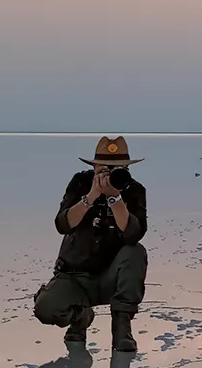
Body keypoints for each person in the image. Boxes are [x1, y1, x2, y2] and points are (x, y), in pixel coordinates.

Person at [33, 136, 148, 353]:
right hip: (75, 275)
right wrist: (91, 196)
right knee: (45, 308)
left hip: (111, 277)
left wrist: (115, 199)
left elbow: (133, 235)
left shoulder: (133, 190)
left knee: (135, 252)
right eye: (104, 168)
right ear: (94, 166)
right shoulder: (80, 183)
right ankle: (80, 316)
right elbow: (63, 224)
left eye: (117, 169)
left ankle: (122, 328)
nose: (109, 175)